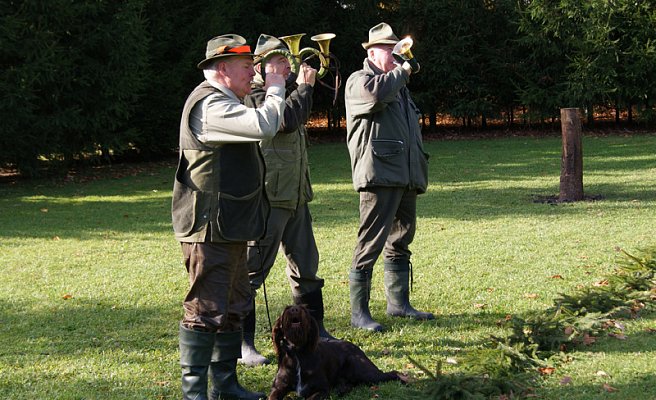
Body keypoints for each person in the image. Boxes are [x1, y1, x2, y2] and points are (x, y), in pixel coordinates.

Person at [171, 33, 286, 400]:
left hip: (229, 224)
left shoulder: (225, 99)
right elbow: (264, 125)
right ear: (222, 69)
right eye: (246, 67)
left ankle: (225, 385)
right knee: (205, 310)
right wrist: (277, 86)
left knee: (235, 305)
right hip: (209, 228)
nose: (253, 74)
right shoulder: (210, 106)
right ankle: (195, 393)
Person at [239, 34, 334, 367]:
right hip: (269, 198)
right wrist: (305, 87)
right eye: (278, 62)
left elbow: (297, 118)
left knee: (307, 268)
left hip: (295, 195)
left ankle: (316, 330)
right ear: (259, 68)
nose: (286, 66)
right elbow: (285, 121)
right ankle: (244, 344)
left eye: (286, 60)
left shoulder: (285, 95)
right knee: (251, 273)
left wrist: (303, 88)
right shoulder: (254, 98)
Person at [344, 23, 434, 333]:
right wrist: (404, 71)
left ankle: (398, 305)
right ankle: (360, 314)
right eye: (388, 49)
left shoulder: (399, 86)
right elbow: (375, 95)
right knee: (369, 243)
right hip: (379, 174)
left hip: (404, 175)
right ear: (371, 52)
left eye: (397, 47)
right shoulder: (361, 80)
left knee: (401, 239)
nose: (396, 53)